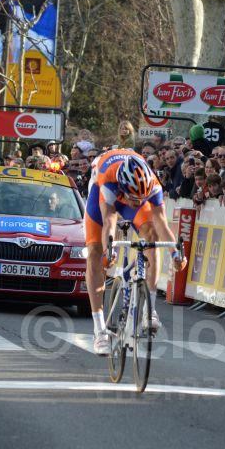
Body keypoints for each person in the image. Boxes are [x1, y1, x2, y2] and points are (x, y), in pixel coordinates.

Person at [83, 150, 185, 355]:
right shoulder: (109, 181)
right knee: (95, 251)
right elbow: (109, 222)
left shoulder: (152, 186)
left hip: (135, 188)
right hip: (100, 192)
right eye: (134, 199)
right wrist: (109, 249)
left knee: (152, 235)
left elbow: (163, 224)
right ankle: (99, 330)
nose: (137, 203)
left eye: (142, 199)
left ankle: (150, 308)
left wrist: (176, 253)